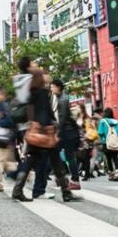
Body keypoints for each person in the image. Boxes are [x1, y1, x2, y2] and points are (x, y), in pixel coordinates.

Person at [12, 60, 78, 203]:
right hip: (44, 132)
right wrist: (51, 126)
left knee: (30, 162)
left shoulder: (31, 90)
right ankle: (66, 192)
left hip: (35, 131)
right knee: (56, 164)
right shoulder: (42, 91)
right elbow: (45, 112)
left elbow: (31, 110)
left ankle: (17, 189)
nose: (48, 77)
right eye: (45, 75)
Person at [51, 78, 81, 190]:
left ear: (58, 87)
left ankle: (73, 180)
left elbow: (62, 118)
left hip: (66, 132)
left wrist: (58, 132)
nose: (51, 88)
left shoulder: (62, 99)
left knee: (66, 155)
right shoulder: (60, 98)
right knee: (64, 155)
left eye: (52, 86)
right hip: (67, 131)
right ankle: (64, 178)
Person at [97, 108, 118, 177]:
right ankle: (117, 171)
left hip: (106, 142)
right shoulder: (116, 121)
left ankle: (111, 172)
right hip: (115, 142)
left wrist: (104, 137)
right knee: (115, 157)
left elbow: (100, 132)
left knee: (108, 158)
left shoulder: (103, 121)